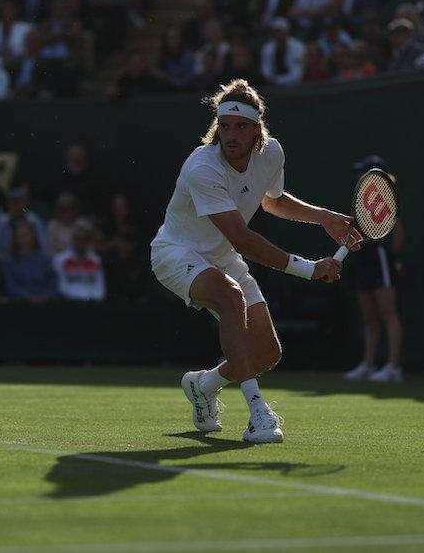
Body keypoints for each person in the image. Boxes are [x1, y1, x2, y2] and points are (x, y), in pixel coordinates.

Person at [150, 78, 353, 444]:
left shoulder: (271, 153)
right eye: (224, 126)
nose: (230, 135)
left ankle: (204, 385)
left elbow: (272, 200)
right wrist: (309, 269)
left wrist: (323, 216)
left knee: (267, 352)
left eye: (240, 127)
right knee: (230, 297)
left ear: (257, 128)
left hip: (222, 257)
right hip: (176, 252)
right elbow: (242, 238)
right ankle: (258, 413)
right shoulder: (202, 167)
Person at [344, 156, 406, 383]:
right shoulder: (362, 198)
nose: (359, 177)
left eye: (363, 172)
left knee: (388, 313)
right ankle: (368, 365)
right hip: (364, 255)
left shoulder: (388, 198)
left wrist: (390, 257)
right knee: (369, 316)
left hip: (381, 255)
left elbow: (398, 233)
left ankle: (393, 367)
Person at [3, 219, 58, 302]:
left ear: (33, 236)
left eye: (26, 234)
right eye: (20, 235)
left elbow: (53, 284)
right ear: (15, 238)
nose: (23, 238)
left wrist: (45, 296)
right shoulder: (9, 261)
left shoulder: (46, 260)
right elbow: (10, 286)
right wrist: (28, 297)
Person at [54, 219, 105, 302]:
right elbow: (61, 286)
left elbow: (99, 287)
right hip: (68, 303)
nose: (81, 242)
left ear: (89, 241)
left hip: (92, 304)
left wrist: (92, 299)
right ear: (73, 239)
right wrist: (78, 299)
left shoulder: (96, 260)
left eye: (85, 239)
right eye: (78, 239)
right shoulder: (60, 260)